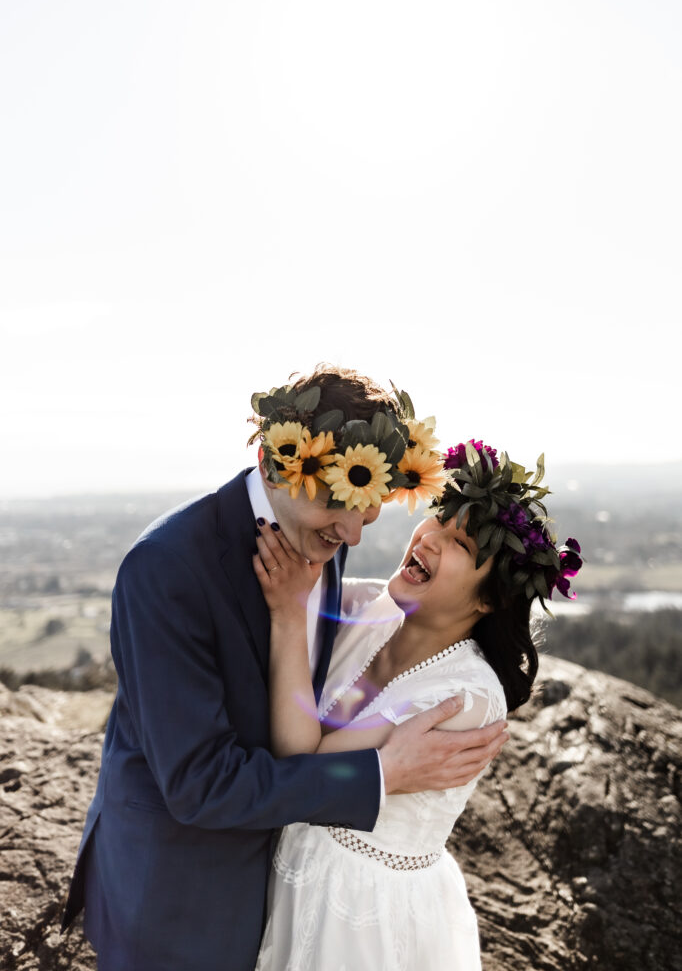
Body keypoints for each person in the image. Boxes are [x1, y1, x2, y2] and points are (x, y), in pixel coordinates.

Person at [61, 368, 508, 971]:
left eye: (366, 513)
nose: (351, 533)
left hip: (295, 898)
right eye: (338, 508)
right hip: (180, 894)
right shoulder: (166, 570)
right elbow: (200, 783)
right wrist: (380, 775)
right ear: (280, 466)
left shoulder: (325, 529)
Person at [253, 439, 583, 970]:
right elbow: (294, 574)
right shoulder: (370, 610)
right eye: (436, 519)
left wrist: (290, 617)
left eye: (457, 544)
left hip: (363, 917)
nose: (428, 538)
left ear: (488, 600)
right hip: (289, 876)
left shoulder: (465, 699)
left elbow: (302, 764)